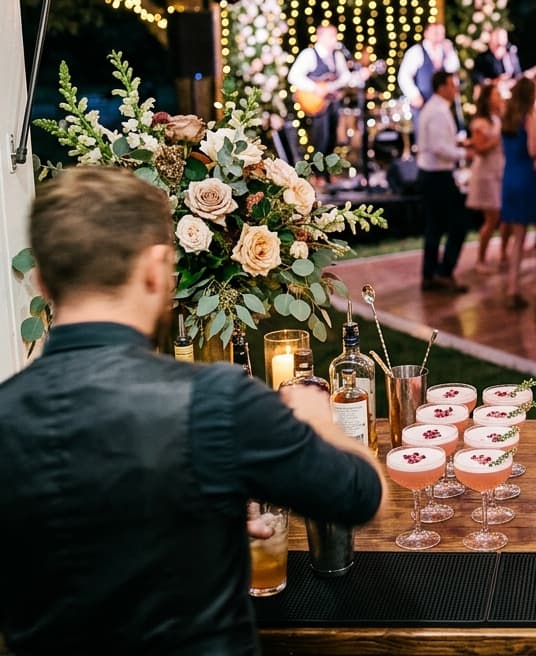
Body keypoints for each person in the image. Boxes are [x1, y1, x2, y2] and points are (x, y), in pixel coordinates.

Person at [0, 166, 383, 655]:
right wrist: (319, 420)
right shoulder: (216, 400)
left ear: (41, 282)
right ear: (157, 269)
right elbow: (358, 495)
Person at [498, 78, 536, 308]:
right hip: (530, 177)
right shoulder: (531, 116)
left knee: (518, 238)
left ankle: (513, 288)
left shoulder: (507, 117)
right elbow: (534, 149)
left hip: (511, 176)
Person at [417, 69, 470, 292]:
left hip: (430, 174)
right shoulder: (438, 111)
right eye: (452, 84)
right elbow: (439, 148)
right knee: (459, 223)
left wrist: (459, 144)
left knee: (435, 227)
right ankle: (444, 272)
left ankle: (430, 275)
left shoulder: (435, 108)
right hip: (437, 175)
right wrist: (466, 154)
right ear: (441, 87)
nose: (456, 88)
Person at [287, 22, 352, 158]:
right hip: (316, 104)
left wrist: (357, 76)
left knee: (331, 140)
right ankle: (317, 170)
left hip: (332, 104)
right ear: (319, 37)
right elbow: (293, 76)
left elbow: (345, 77)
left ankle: (328, 169)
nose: (334, 39)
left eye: (335, 36)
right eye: (331, 36)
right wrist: (316, 88)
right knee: (320, 141)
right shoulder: (309, 54)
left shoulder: (337, 55)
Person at [466, 82, 505, 271]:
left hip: (499, 169)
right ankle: (480, 259)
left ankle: (503, 252)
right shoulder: (481, 122)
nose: (500, 97)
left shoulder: (498, 119)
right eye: (496, 94)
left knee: (502, 216)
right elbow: (479, 149)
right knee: (492, 218)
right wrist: (496, 140)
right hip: (486, 173)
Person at [398, 22, 461, 133]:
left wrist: (449, 51)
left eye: (441, 33)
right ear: (426, 33)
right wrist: (414, 95)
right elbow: (404, 75)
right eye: (436, 33)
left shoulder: (446, 50)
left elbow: (453, 69)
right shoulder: (416, 51)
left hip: (443, 103)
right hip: (424, 102)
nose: (439, 36)